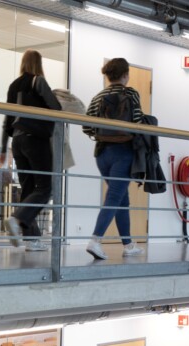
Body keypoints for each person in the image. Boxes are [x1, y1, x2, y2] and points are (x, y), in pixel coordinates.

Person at [0, 50, 61, 252]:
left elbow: (7, 118)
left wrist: (3, 149)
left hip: (17, 141)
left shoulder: (13, 85)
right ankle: (17, 219)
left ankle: (32, 240)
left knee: (28, 189)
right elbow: (56, 108)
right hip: (35, 139)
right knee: (45, 187)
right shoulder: (38, 81)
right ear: (38, 64)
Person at [83, 58, 144, 260]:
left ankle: (128, 244)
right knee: (114, 197)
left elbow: (86, 126)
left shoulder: (98, 96)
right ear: (125, 75)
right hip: (123, 152)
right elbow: (137, 122)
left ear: (108, 76)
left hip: (102, 154)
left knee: (121, 199)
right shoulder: (131, 93)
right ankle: (95, 240)